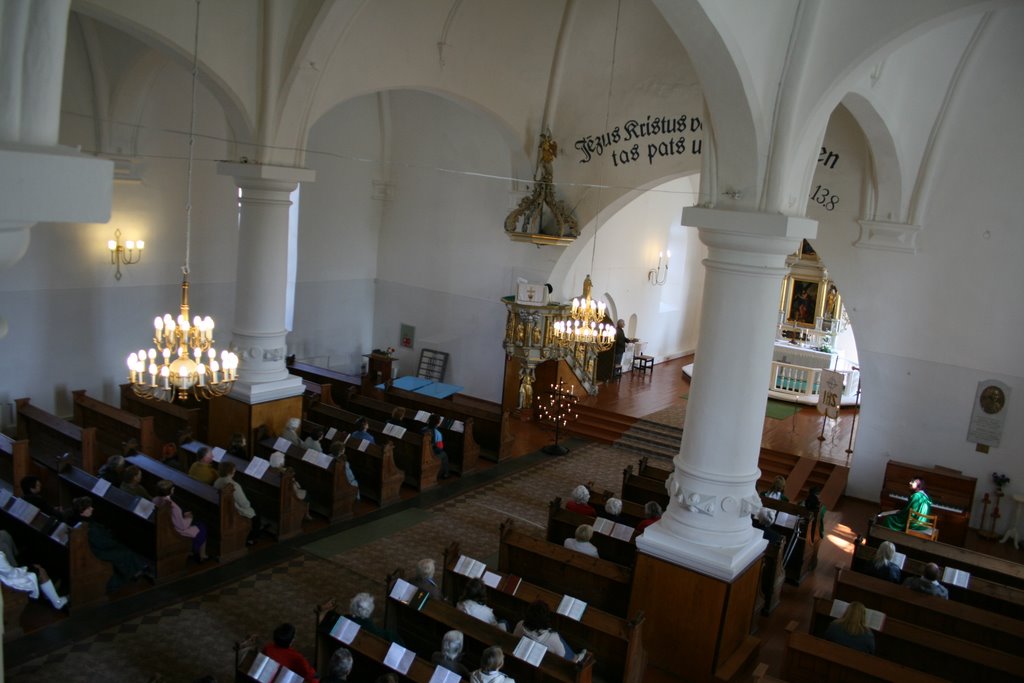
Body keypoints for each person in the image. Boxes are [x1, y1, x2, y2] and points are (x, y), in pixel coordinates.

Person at [70, 496, 152, 591]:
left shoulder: (80, 521)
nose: (92, 508)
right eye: (89, 508)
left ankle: (139, 568)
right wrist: (113, 540)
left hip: (96, 547)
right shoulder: (88, 527)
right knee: (124, 552)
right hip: (98, 552)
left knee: (124, 549)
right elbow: (103, 543)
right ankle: (136, 571)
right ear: (83, 511)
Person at [153, 479, 208, 562]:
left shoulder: (155, 500)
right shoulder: (172, 506)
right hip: (175, 532)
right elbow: (182, 526)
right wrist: (189, 517)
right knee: (201, 527)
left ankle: (192, 551)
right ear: (171, 491)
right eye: (173, 489)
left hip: (163, 528)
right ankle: (201, 555)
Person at [213, 461, 262, 546]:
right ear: (230, 472)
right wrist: (249, 504)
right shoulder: (234, 485)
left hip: (223, 508)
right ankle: (250, 538)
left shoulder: (217, 481)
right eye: (234, 470)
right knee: (256, 517)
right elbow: (244, 504)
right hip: (234, 510)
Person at [513, 599, 581, 661]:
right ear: (546, 619)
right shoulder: (553, 638)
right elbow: (562, 656)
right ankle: (576, 657)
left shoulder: (520, 624)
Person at [0, 549, 68, 610]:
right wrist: (24, 569)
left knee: (34, 567)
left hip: (6, 578)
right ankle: (57, 602)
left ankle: (49, 595)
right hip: (9, 581)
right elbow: (10, 573)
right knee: (40, 570)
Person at [269, 451, 313, 521]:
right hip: (287, 494)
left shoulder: (269, 469)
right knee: (307, 495)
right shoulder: (286, 473)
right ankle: (306, 514)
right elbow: (292, 487)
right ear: (281, 462)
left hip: (274, 492)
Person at [424, 414, 450, 479]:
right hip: (430, 454)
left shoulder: (423, 429)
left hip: (422, 450)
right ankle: (445, 474)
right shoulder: (438, 433)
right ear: (438, 422)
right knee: (444, 454)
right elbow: (440, 448)